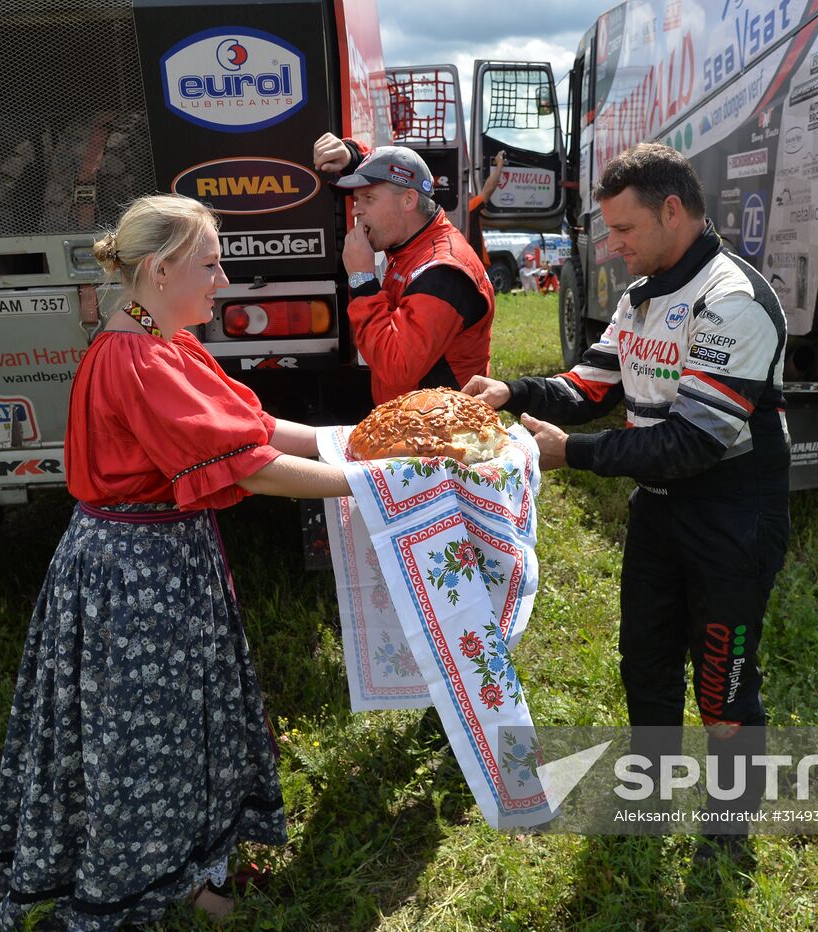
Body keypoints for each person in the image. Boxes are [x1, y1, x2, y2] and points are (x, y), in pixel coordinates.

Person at [0, 194, 352, 929]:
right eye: (210, 265)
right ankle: (128, 889)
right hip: (133, 577)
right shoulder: (140, 358)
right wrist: (375, 484)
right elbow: (250, 467)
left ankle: (193, 874)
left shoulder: (162, 338)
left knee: (191, 725)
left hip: (163, 562)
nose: (223, 279)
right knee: (143, 744)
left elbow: (257, 426)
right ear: (159, 269)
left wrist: (358, 439)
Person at [464, 143, 790, 861]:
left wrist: (570, 454)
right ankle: (651, 790)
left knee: (721, 677)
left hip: (732, 511)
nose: (612, 246)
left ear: (673, 212)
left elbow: (690, 444)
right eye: (608, 230)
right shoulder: (644, 292)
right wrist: (512, 393)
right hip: (661, 508)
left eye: (625, 229)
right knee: (643, 658)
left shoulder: (731, 300)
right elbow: (590, 386)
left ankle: (729, 831)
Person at [311, 134, 495, 404]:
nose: (355, 211)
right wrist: (352, 156)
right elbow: (394, 171)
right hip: (414, 424)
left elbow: (397, 368)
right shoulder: (409, 243)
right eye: (356, 199)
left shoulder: (443, 272)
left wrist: (362, 280)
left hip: (444, 434)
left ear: (409, 201)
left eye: (368, 198)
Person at [466, 150, 507, 269]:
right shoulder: (469, 208)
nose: (471, 194)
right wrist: (500, 164)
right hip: (474, 262)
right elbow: (489, 188)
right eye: (469, 192)